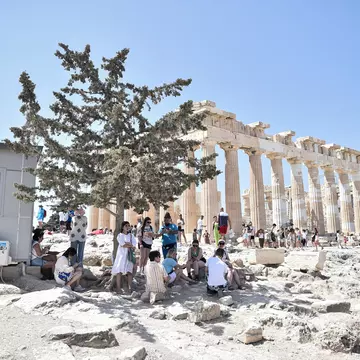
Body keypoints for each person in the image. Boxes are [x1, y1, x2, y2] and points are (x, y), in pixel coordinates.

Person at [112, 221, 137, 293]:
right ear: (123, 227)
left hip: (129, 255)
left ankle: (129, 288)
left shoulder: (131, 236)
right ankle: (118, 288)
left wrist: (128, 244)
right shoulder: (120, 235)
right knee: (119, 271)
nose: (128, 227)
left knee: (129, 271)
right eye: (126, 225)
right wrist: (129, 244)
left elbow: (134, 245)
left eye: (129, 225)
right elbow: (123, 244)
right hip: (121, 255)